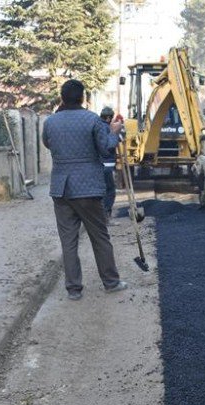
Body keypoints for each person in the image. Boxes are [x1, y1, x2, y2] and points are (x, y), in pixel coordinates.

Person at [42, 80, 127, 300]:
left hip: (61, 189)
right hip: (88, 188)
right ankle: (111, 282)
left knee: (68, 241)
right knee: (99, 236)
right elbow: (106, 147)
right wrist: (115, 132)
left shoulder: (50, 122)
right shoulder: (92, 120)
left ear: (62, 98)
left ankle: (74, 290)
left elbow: (48, 144)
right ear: (83, 97)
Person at [99, 106, 118, 222]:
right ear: (109, 118)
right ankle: (106, 216)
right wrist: (115, 133)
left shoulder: (98, 126)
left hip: (100, 164)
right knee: (109, 190)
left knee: (102, 190)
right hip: (107, 165)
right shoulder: (106, 128)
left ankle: (102, 216)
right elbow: (110, 145)